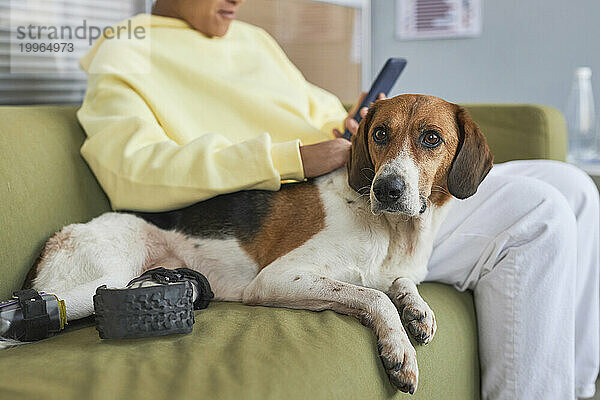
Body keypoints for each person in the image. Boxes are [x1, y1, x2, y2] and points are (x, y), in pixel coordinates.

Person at [76, 0, 599, 399]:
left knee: (573, 187)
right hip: (327, 200)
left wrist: (351, 125)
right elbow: (131, 170)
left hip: (357, 170)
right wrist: (292, 157)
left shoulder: (252, 40)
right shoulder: (129, 48)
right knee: (541, 213)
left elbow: (319, 108)